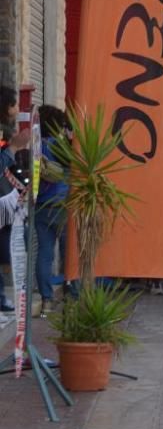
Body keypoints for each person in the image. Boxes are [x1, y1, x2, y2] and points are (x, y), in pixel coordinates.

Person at [34, 105, 70, 316]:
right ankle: (70, 296)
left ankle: (47, 300)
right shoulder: (61, 147)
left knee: (45, 254)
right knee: (68, 254)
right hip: (62, 205)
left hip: (41, 206)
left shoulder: (36, 147)